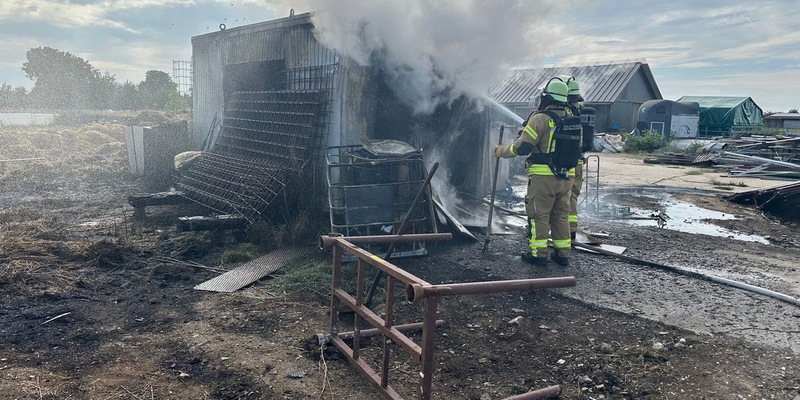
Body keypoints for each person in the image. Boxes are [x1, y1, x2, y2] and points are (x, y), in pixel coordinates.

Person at [493, 77, 579, 267]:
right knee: (561, 215)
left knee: (539, 214)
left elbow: (523, 147)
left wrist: (502, 151)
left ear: (547, 98)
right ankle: (562, 254)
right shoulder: (571, 119)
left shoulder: (540, 119)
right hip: (566, 177)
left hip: (543, 177)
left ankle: (538, 254)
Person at [562, 76, 595, 242]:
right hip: (580, 161)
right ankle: (572, 229)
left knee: (563, 197)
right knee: (573, 196)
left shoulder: (566, 113)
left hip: (568, 163)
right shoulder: (582, 111)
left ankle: (562, 231)